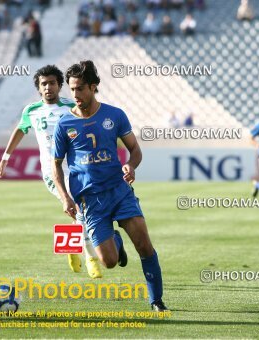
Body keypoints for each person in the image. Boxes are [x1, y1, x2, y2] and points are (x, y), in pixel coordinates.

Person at [52, 60, 168, 312]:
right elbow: (56, 166)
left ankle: (156, 301)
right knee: (109, 262)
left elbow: (135, 150)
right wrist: (64, 198)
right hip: (90, 201)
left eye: (80, 89)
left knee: (144, 246)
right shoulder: (64, 124)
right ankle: (115, 240)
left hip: (119, 191)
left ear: (93, 87)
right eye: (71, 90)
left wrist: (131, 165)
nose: (75, 95)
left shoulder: (115, 115)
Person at [0, 65, 103, 279]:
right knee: (82, 212)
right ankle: (92, 259)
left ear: (60, 85)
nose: (48, 87)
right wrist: (5, 157)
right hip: (52, 173)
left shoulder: (72, 107)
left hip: (77, 169)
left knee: (83, 212)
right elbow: (20, 129)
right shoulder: (31, 111)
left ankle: (71, 246)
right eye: (43, 84)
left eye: (52, 83)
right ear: (38, 88)